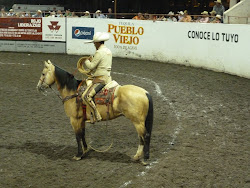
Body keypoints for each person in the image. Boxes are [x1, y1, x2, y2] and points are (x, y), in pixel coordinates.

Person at [77, 32, 112, 123]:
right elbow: (101, 64)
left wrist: (86, 61)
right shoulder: (108, 51)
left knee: (86, 96)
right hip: (107, 77)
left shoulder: (99, 52)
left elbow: (91, 66)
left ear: (98, 43)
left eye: (94, 43)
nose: (94, 45)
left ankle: (97, 115)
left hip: (101, 79)